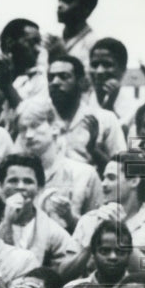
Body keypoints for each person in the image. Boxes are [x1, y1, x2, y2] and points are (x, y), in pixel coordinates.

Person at [14, 98, 104, 231]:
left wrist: (70, 218)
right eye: (22, 129)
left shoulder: (84, 174)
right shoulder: (13, 178)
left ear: (54, 128)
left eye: (35, 125)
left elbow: (98, 231)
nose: (28, 135)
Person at [73, 150, 145, 259]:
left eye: (111, 178)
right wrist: (93, 239)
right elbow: (64, 271)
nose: (103, 184)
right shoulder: (88, 220)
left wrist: (122, 233)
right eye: (103, 178)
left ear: (134, 181)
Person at [0, 154, 80, 272]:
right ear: (0, 186)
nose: (20, 187)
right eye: (13, 181)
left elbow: (64, 271)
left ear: (39, 188)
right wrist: (7, 223)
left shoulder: (53, 231)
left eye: (28, 182)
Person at [46, 55, 126, 167]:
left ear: (81, 82)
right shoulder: (38, 118)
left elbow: (120, 172)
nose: (55, 82)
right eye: (51, 77)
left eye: (64, 77)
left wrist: (94, 150)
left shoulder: (105, 119)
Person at [0, 17, 47, 123]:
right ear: (10, 42)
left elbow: (31, 121)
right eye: (32, 42)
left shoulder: (41, 81)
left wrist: (7, 88)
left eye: (39, 43)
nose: (38, 49)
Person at [87, 37, 145, 126]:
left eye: (107, 65)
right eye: (94, 65)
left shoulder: (136, 108)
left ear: (123, 69)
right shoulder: (82, 103)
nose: (99, 71)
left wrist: (109, 106)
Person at [45, 0, 99, 71]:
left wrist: (61, 56)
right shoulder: (53, 41)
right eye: (60, 0)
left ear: (86, 8)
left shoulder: (94, 45)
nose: (60, 5)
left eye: (67, 1)